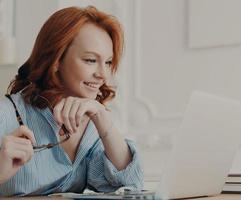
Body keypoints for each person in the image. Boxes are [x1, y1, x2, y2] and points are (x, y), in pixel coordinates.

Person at [0, 6, 143, 196]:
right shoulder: (6, 116)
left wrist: (101, 116)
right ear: (56, 59)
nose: (102, 74)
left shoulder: (92, 126)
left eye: (108, 62)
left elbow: (129, 186)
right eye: (91, 60)